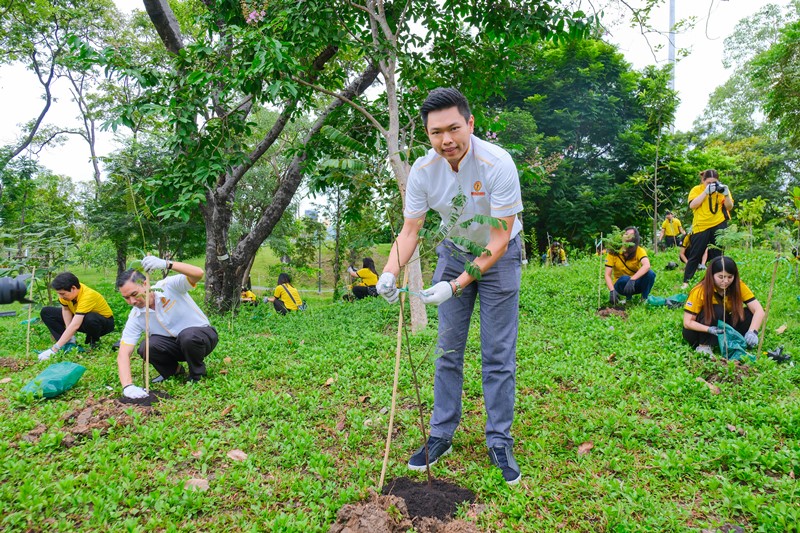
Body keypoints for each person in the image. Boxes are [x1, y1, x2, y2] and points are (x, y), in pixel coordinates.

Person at [375, 87, 524, 485]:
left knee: (497, 352)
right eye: (436, 132)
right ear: (427, 134)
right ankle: (441, 434)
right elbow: (410, 231)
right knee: (447, 350)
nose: (446, 140)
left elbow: (497, 239)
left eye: (454, 128)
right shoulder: (424, 172)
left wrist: (455, 286)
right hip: (455, 250)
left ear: (470, 124)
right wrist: (389, 271)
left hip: (501, 254)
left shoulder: (497, 164)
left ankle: (499, 440)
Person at [116, 256, 218, 399]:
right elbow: (123, 353)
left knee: (187, 336)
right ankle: (174, 371)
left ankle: (197, 374)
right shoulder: (136, 316)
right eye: (126, 298)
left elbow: (198, 273)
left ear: (145, 284)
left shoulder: (168, 286)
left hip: (201, 337)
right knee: (146, 346)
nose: (132, 301)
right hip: (175, 346)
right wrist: (128, 386)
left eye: (134, 294)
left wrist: (167, 264)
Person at [682, 256, 765, 357]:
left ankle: (742, 340)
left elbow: (759, 310)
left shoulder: (737, 286)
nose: (725, 281)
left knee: (748, 313)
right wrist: (709, 329)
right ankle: (704, 346)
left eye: (730, 277)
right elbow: (687, 323)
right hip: (698, 332)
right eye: (721, 277)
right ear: (712, 275)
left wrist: (753, 331)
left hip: (721, 327)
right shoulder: (700, 290)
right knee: (717, 309)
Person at [38, 272, 115, 360]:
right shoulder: (67, 294)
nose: (60, 296)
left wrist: (54, 349)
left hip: (103, 323)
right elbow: (66, 309)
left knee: (90, 318)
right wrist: (69, 333)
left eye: (62, 294)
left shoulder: (88, 295)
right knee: (47, 312)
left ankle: (94, 341)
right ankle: (67, 343)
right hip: (80, 317)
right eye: (59, 293)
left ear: (73, 288)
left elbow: (75, 324)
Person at [682, 169, 733, 289]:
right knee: (695, 253)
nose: (711, 185)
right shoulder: (697, 189)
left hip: (719, 224)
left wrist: (726, 194)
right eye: (708, 182)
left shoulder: (721, 189)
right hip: (701, 225)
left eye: (714, 182)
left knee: (718, 254)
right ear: (703, 181)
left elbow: (729, 207)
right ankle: (686, 281)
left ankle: (717, 281)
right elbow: (692, 205)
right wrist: (705, 192)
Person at [605, 227, 656, 304]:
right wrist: (612, 290)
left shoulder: (639, 250)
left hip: (635, 283)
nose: (627, 236)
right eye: (626, 234)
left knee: (650, 274)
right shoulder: (614, 252)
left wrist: (632, 279)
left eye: (631, 235)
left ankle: (644, 298)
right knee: (625, 279)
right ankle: (628, 300)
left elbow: (646, 265)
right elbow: (607, 274)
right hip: (620, 283)